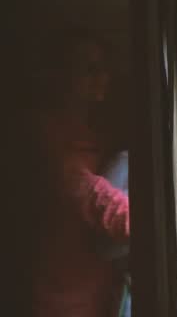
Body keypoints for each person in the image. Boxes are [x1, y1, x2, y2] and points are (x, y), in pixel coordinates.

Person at [29, 30, 130, 317]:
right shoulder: (42, 134)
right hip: (57, 298)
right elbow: (88, 193)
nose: (102, 78)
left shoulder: (96, 134)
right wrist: (152, 222)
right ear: (61, 75)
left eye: (104, 70)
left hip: (96, 293)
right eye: (89, 70)